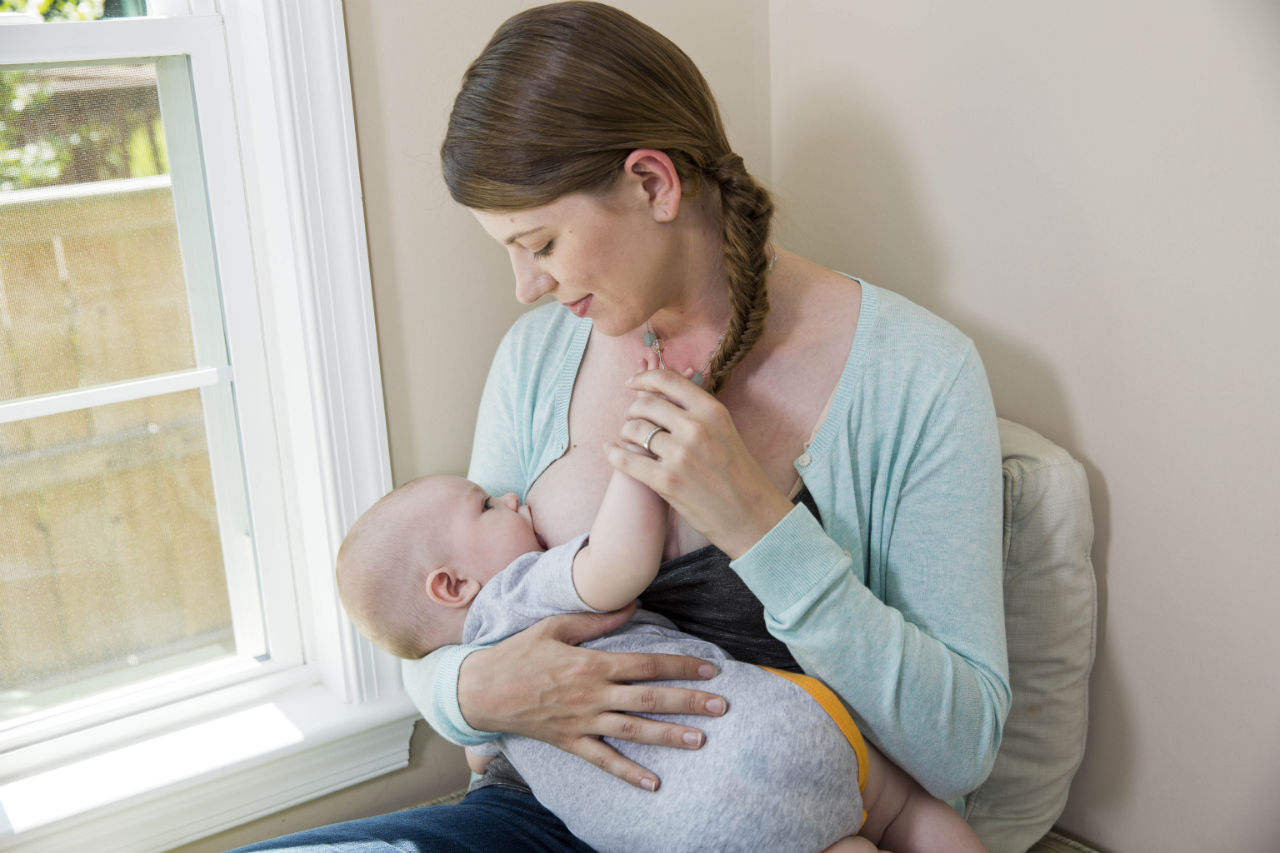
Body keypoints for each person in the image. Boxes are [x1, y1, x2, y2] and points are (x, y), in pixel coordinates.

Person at [229, 2, 1009, 850]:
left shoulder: (916, 377)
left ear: (652, 183)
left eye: (541, 243)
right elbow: (444, 630)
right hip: (547, 814)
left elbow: (959, 745)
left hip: (767, 821)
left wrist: (758, 523)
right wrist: (477, 692)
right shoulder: (537, 359)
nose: (526, 286)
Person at [334, 361, 987, 852]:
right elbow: (618, 563)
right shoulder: (520, 588)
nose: (508, 499)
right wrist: (638, 450)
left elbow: (476, 750)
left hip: (692, 832)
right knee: (903, 814)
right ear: (452, 587)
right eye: (484, 504)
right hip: (778, 733)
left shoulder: (488, 680)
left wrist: (475, 705)